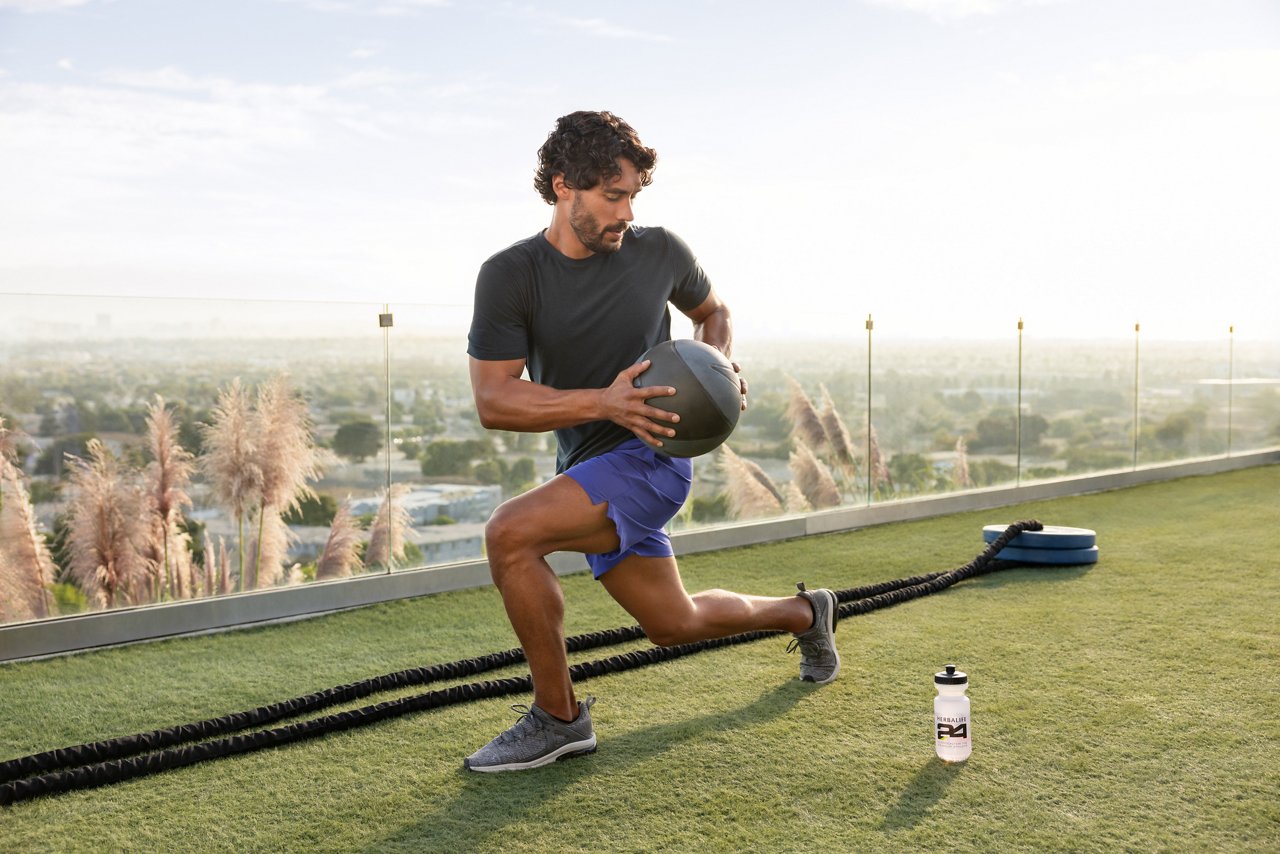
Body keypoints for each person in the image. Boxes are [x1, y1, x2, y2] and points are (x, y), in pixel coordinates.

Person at [463, 110, 840, 772]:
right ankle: (806, 614)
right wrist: (600, 402)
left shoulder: (660, 250)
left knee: (509, 534)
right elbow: (495, 399)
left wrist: (714, 368)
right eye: (613, 196)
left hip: (655, 458)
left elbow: (713, 313)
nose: (625, 212)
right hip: (590, 464)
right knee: (675, 624)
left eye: (633, 195)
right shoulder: (510, 276)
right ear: (562, 187)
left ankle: (558, 719)